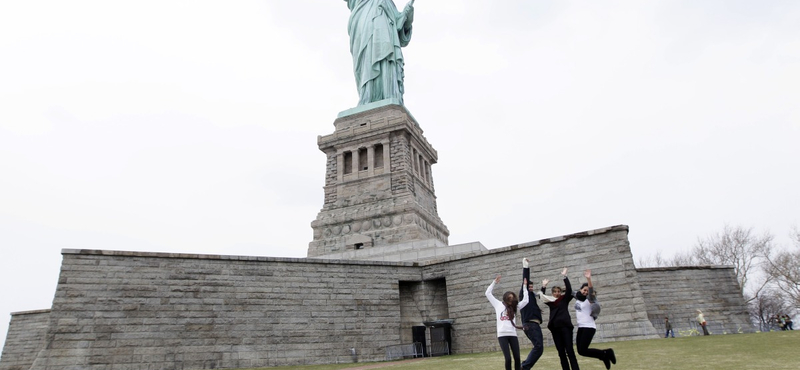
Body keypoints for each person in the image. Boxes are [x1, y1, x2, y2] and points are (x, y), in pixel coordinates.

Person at [343, 0, 415, 106]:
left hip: (383, 31)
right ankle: (367, 97)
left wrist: (407, 19)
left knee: (386, 55)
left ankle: (388, 94)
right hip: (362, 25)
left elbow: (401, 35)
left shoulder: (387, 2)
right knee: (366, 63)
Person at [574, 269, 616, 369]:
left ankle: (606, 353)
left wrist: (589, 279)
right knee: (580, 351)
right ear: (580, 290)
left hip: (589, 327)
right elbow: (568, 291)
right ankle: (604, 355)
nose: (585, 292)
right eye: (584, 290)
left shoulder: (590, 299)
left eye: (587, 291)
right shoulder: (577, 297)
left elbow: (591, 290)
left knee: (583, 350)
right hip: (581, 327)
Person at [486, 274, 530, 370]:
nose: (511, 299)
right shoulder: (498, 304)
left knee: (517, 358)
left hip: (513, 334)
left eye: (512, 298)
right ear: (506, 298)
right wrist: (494, 282)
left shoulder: (515, 306)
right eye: (509, 298)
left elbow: (526, 301)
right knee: (508, 358)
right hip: (502, 335)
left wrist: (525, 287)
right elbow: (488, 293)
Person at [542, 268, 580, 370]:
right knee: (561, 352)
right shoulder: (550, 301)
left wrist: (565, 277)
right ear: (552, 293)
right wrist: (543, 286)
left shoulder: (564, 299)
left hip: (565, 328)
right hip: (555, 329)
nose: (557, 293)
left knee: (569, 350)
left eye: (558, 291)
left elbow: (569, 290)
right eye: (554, 292)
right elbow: (542, 297)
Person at [519, 258, 543, 370]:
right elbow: (525, 280)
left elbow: (541, 295)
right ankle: (524, 367)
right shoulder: (525, 295)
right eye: (529, 287)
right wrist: (526, 266)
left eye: (532, 287)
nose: (531, 289)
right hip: (530, 324)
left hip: (534, 324)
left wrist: (543, 287)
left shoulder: (532, 297)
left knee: (538, 347)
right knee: (538, 347)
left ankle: (524, 365)